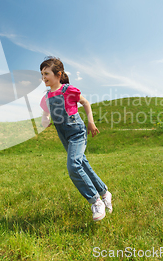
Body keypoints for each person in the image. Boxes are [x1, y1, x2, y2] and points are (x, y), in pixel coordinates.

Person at [40, 57, 112, 221]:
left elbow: (86, 103)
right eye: (42, 74)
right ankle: (105, 192)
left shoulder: (69, 90)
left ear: (58, 74)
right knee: (82, 164)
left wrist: (90, 122)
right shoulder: (46, 97)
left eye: (46, 73)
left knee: (73, 165)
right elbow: (45, 114)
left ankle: (96, 201)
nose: (43, 77)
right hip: (63, 134)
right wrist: (45, 120)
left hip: (77, 131)